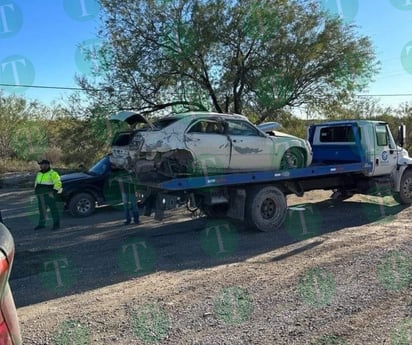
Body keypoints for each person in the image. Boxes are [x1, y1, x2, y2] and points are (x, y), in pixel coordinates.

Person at [34, 159, 62, 230]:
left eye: (42, 164)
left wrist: (53, 192)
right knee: (42, 210)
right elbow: (36, 183)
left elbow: (58, 183)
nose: (40, 166)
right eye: (40, 164)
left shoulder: (53, 173)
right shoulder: (39, 173)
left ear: (47, 165)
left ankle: (56, 225)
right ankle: (41, 224)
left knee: (53, 210)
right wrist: (36, 192)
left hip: (49, 195)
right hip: (40, 195)